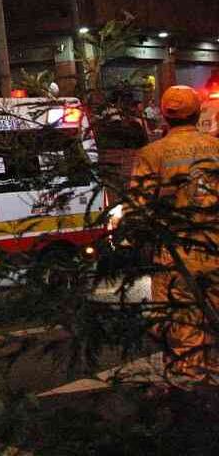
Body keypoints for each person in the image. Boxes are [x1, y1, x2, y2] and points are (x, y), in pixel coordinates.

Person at [128, 85, 219, 385]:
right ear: (197, 113)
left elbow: (138, 208)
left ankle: (191, 393)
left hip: (177, 256)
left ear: (165, 116)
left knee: (183, 329)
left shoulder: (152, 154)